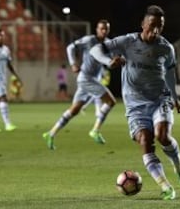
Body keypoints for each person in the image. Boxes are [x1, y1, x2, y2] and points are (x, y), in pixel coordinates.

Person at [90, 5, 180, 200]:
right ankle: (165, 187)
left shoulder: (166, 48)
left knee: (163, 136)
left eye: (160, 26)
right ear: (143, 24)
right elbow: (95, 49)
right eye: (152, 25)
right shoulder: (127, 41)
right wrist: (107, 61)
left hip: (159, 99)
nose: (155, 30)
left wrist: (174, 97)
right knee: (146, 141)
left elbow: (170, 73)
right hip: (135, 105)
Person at [42, 19, 124, 150]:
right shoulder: (89, 40)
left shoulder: (108, 44)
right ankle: (95, 130)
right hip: (86, 78)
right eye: (101, 28)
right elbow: (70, 47)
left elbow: (114, 58)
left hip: (92, 79)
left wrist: (118, 59)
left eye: (106, 29)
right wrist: (73, 63)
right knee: (111, 102)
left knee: (75, 110)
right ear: (97, 29)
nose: (104, 31)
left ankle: (50, 133)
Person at [0, 28, 21, 132]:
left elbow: (8, 63)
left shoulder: (6, 49)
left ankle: (7, 124)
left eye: (2, 35)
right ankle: (7, 124)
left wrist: (15, 75)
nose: (1, 37)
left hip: (2, 78)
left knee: (0, 99)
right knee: (3, 98)